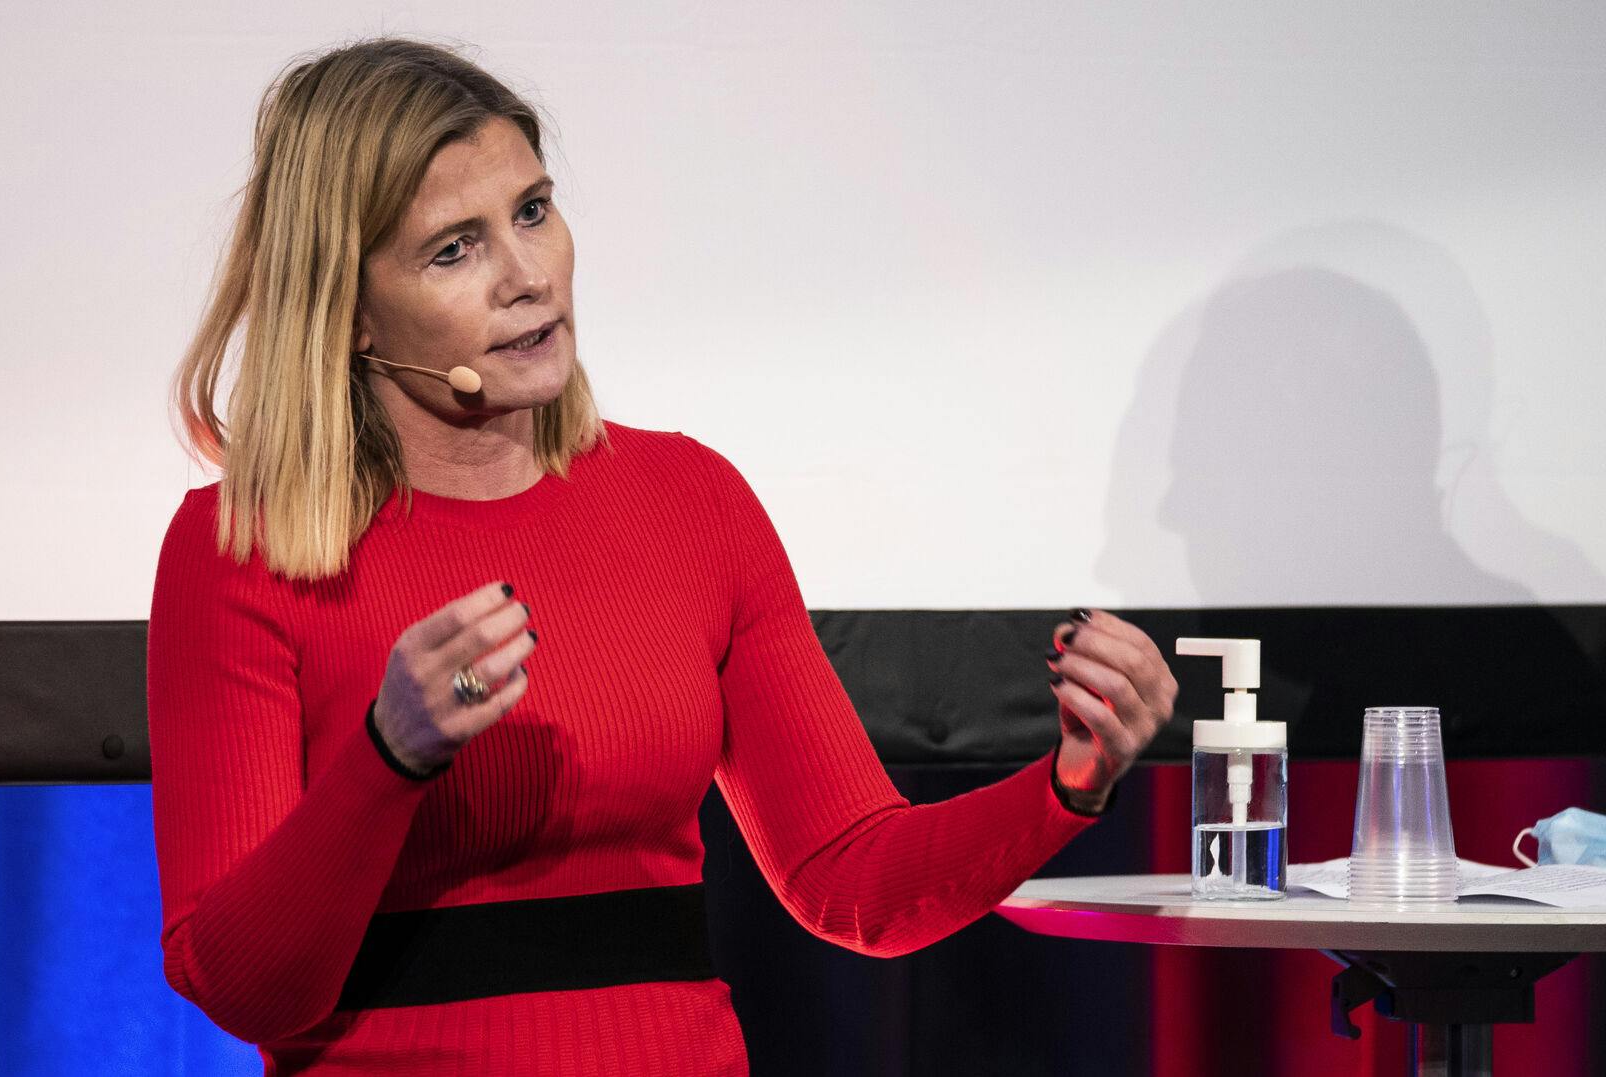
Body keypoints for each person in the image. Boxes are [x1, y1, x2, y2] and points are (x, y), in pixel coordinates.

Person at [146, 37, 1179, 1076]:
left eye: (533, 211)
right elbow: (240, 987)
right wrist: (389, 756)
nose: (527, 275)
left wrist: (1070, 783)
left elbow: (851, 879)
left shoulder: (690, 501)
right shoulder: (241, 550)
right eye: (453, 249)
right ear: (352, 310)